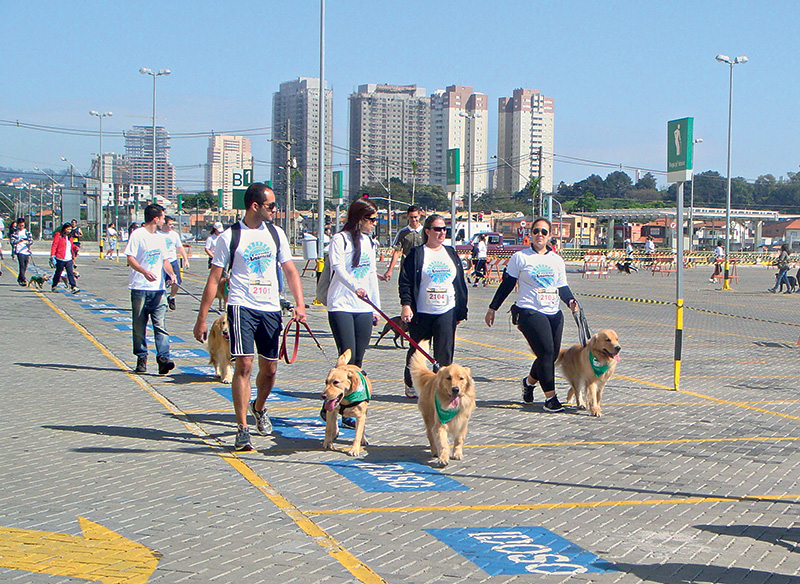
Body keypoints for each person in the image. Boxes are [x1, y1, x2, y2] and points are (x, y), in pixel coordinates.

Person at [193, 183, 307, 451]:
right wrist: (201, 317)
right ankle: (242, 427)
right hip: (241, 306)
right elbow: (214, 279)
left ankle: (259, 407)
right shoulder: (230, 237)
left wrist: (300, 304)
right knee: (244, 366)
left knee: (270, 370)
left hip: (270, 308)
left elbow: (290, 270)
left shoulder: (276, 234)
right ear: (255, 206)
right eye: (271, 206)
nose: (274, 210)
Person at [485, 217, 579, 413]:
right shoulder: (521, 258)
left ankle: (528, 383)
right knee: (545, 352)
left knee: (551, 356)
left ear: (549, 236)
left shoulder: (556, 260)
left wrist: (571, 301)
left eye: (544, 232)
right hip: (529, 311)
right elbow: (507, 284)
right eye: (536, 231)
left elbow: (562, 287)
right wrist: (492, 308)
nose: (539, 235)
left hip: (554, 312)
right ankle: (550, 399)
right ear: (530, 234)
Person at [399, 214, 468, 399]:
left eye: (444, 229)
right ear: (427, 231)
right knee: (418, 350)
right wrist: (406, 305)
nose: (442, 233)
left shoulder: (450, 253)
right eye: (437, 229)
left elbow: (459, 283)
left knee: (444, 353)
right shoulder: (417, 253)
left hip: (446, 310)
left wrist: (461, 310)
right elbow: (405, 282)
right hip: (421, 311)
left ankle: (442, 388)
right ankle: (411, 383)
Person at [327, 197, 382, 370]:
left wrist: (376, 307)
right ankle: (342, 392)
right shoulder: (340, 239)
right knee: (347, 355)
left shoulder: (370, 242)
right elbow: (338, 268)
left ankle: (355, 392)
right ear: (360, 218)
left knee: (358, 357)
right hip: (341, 304)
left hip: (363, 307)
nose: (374, 224)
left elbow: (372, 275)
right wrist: (354, 287)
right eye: (372, 219)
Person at [124, 204, 177, 376]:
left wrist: (171, 274)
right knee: (139, 326)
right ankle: (141, 357)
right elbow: (130, 258)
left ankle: (163, 359)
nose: (164, 220)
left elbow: (165, 261)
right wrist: (144, 272)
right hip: (140, 288)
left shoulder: (161, 238)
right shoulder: (138, 234)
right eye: (162, 217)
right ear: (155, 218)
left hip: (158, 290)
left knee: (160, 325)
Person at [383, 205, 424, 281]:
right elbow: (397, 252)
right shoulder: (403, 232)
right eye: (411, 217)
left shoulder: (425, 232)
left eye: (415, 217)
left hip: (422, 268)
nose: (413, 219)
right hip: (406, 268)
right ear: (408, 217)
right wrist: (389, 270)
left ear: (419, 216)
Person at [161, 216, 190, 310]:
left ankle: (172, 297)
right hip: (162, 262)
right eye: (170, 224)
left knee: (177, 281)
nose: (172, 226)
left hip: (172, 261)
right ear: (164, 224)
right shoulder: (158, 234)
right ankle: (162, 301)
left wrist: (186, 259)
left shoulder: (174, 235)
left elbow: (180, 247)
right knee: (161, 283)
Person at [50, 223, 79, 293]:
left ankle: (73, 286)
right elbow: (54, 245)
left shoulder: (70, 237)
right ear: (64, 229)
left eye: (70, 229)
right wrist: (52, 255)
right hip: (60, 258)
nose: (69, 231)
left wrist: (75, 248)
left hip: (68, 258)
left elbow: (71, 245)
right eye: (68, 229)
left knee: (70, 273)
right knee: (58, 273)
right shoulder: (58, 235)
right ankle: (54, 286)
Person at [10, 217, 32, 286]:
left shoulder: (27, 232)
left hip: (26, 251)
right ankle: (23, 279)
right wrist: (19, 241)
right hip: (19, 251)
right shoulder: (15, 233)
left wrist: (27, 242)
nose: (21, 227)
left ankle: (20, 277)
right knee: (21, 265)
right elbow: (12, 241)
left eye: (22, 225)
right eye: (20, 225)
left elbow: (31, 240)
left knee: (25, 265)